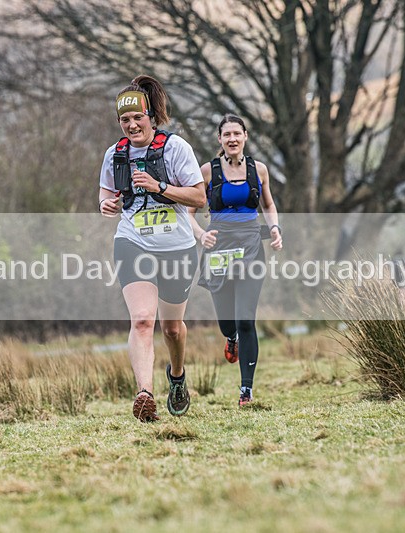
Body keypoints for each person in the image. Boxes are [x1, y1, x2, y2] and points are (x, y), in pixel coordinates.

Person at [98, 75, 207, 422]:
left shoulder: (176, 148)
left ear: (151, 115)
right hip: (132, 241)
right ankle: (145, 393)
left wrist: (160, 186)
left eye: (137, 118)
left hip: (177, 246)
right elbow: (105, 193)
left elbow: (199, 196)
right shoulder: (115, 155)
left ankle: (176, 377)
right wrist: (107, 205)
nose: (132, 125)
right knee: (143, 320)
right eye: (125, 120)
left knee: (171, 328)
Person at [188, 114, 282, 407]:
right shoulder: (206, 171)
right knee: (228, 322)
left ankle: (246, 390)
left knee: (245, 320)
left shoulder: (259, 170)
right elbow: (187, 213)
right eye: (226, 134)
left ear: (245, 136)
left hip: (252, 245)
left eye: (236, 134)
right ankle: (230, 340)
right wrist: (201, 236)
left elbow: (268, 204)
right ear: (220, 139)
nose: (232, 139)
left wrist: (275, 229)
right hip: (219, 248)